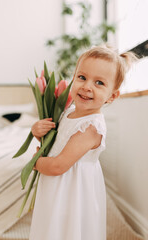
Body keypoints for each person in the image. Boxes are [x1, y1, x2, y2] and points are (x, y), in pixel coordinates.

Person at [29, 44, 137, 240]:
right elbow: (55, 141)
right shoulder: (69, 112)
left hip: (73, 190)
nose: (87, 86)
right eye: (82, 77)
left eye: (99, 83)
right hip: (58, 185)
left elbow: (58, 165)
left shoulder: (91, 127)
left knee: (70, 229)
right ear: (73, 78)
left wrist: (35, 162)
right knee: (53, 225)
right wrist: (38, 131)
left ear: (112, 96)